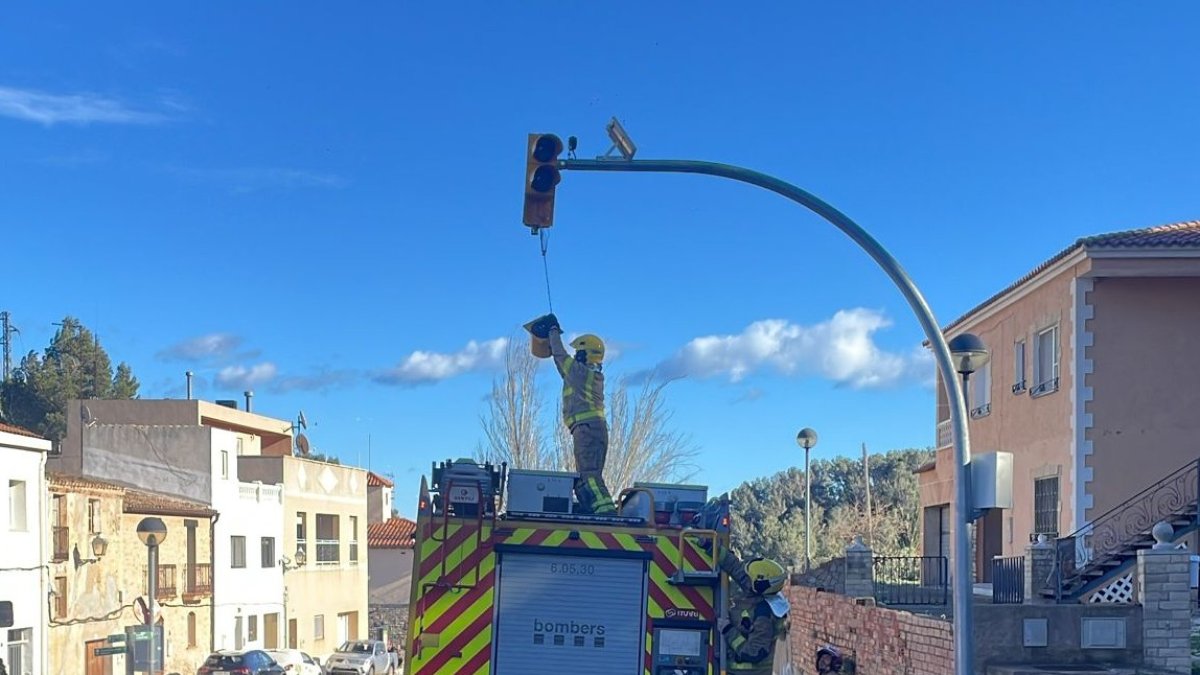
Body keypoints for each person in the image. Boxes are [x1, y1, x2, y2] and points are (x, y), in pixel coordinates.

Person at [533, 313, 616, 515]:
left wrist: (553, 332)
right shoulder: (582, 376)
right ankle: (593, 509)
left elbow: (562, 358)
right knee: (584, 479)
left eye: (579, 351)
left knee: (589, 476)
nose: (576, 354)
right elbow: (561, 364)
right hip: (586, 430)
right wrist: (552, 343)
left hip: (588, 429)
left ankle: (606, 513)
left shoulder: (583, 374)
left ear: (584, 354)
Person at [716, 548, 790, 675]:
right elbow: (738, 570)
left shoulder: (764, 615)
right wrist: (715, 550)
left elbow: (753, 652)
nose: (746, 580)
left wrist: (728, 630)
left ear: (758, 585)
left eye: (749, 578)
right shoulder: (760, 590)